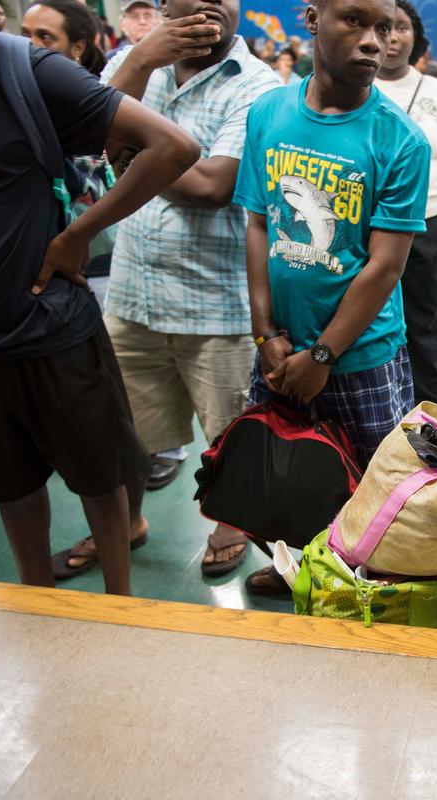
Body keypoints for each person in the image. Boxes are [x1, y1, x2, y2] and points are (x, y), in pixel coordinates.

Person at [0, 0, 199, 593]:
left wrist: (78, 236)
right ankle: (34, 597)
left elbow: (172, 148)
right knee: (10, 489)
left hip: (51, 329)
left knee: (100, 478)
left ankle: (119, 604)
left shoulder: (26, 68)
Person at [49, 1, 282, 581]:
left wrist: (128, 154)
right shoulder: (135, 62)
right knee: (119, 429)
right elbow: (82, 139)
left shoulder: (259, 86)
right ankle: (125, 523)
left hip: (215, 300)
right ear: (161, 5)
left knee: (229, 432)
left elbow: (214, 185)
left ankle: (230, 525)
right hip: (133, 292)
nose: (210, 4)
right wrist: (141, 64)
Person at [234, 0, 430, 592]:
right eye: (356, 23)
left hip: (360, 355)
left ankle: (362, 587)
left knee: (372, 487)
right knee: (288, 470)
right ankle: (298, 569)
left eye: (386, 28)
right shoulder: (268, 113)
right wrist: (266, 332)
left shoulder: (401, 141)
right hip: (280, 345)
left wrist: (321, 357)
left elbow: (384, 266)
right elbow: (260, 223)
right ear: (313, 19)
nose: (376, 42)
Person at [375, 1, 437, 407]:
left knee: (424, 329)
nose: (394, 37)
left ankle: (433, 425)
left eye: (402, 28)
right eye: (386, 28)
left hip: (426, 230)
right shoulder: (355, 90)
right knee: (369, 327)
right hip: (369, 229)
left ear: (415, 35)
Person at [21, 0, 118, 308]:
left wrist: (72, 240)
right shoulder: (14, 99)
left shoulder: (86, 105)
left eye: (45, 37)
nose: (31, 46)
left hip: (89, 275)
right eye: (26, 35)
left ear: (77, 48)